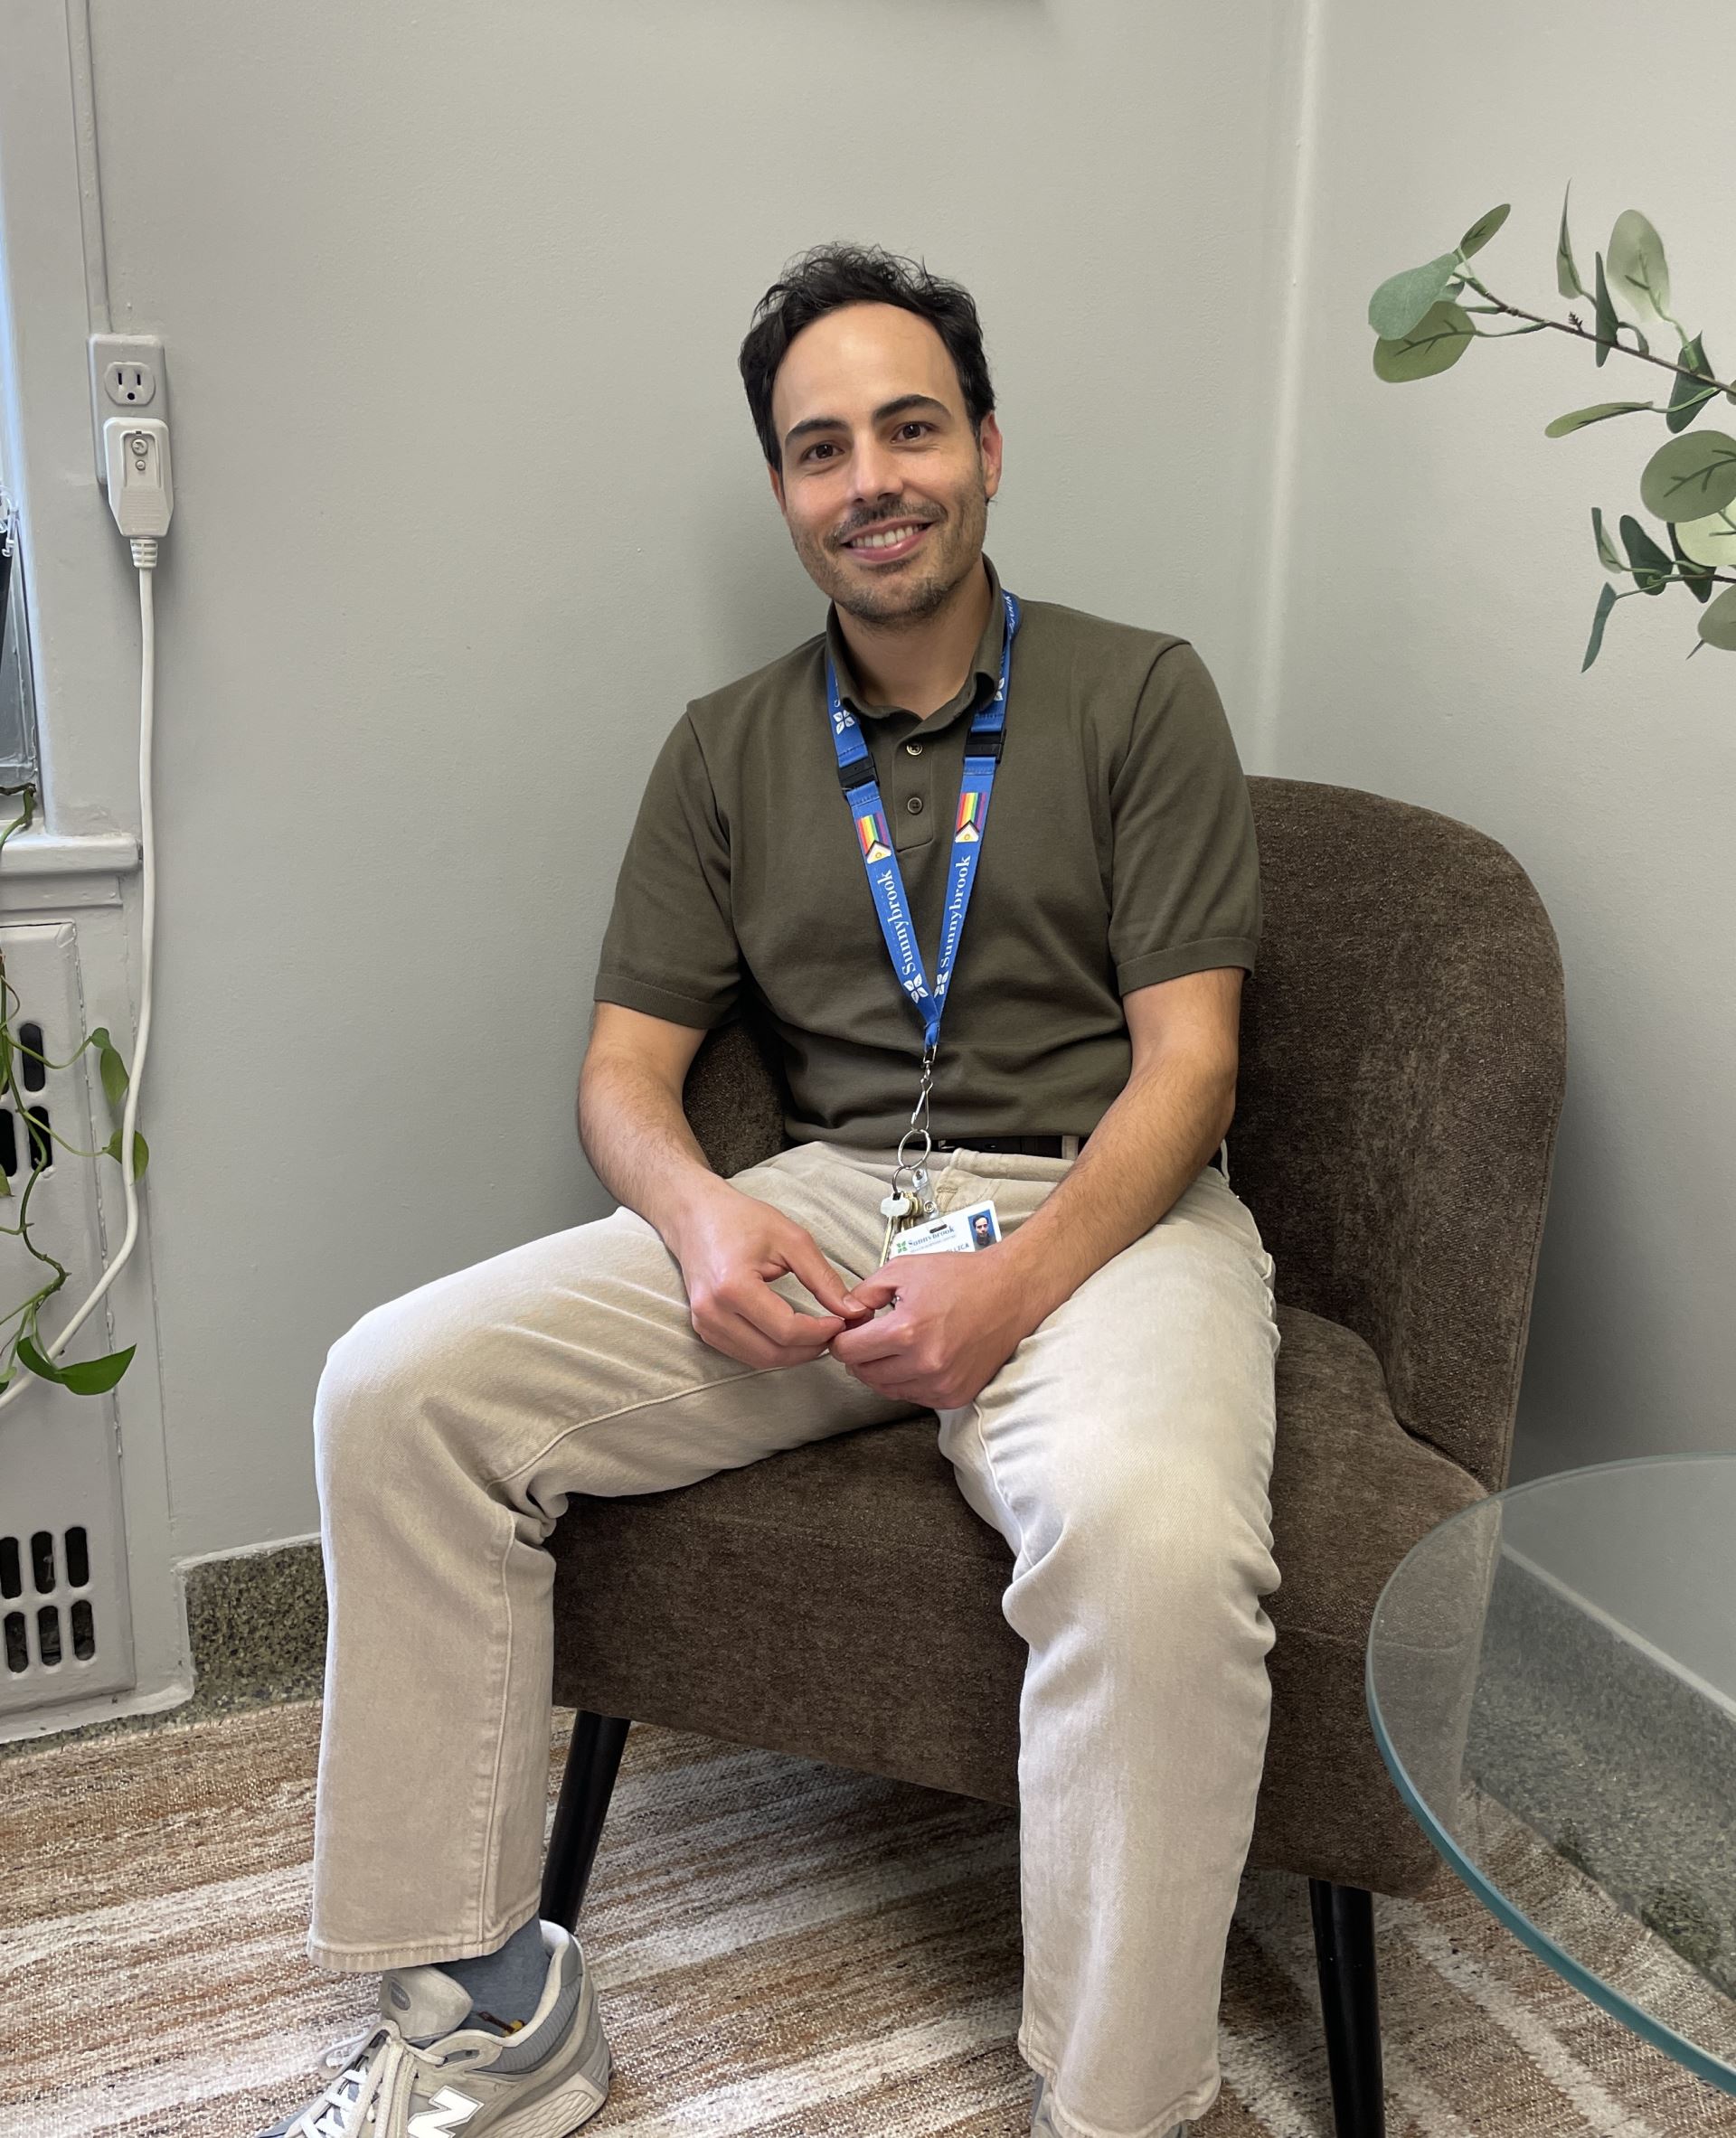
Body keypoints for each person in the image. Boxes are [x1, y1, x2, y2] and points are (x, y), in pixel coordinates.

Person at [264, 241, 1281, 2138]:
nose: (872, 477)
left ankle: (1115, 2107)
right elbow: (625, 1078)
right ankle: (497, 2015)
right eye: (823, 449)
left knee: (1150, 1544)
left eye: (911, 427)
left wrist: (1024, 1281)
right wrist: (700, 1209)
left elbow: (1194, 1065)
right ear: (784, 493)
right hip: (825, 1198)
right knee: (396, 1390)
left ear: (987, 446)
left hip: (1107, 1204)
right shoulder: (725, 747)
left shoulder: (1142, 694)